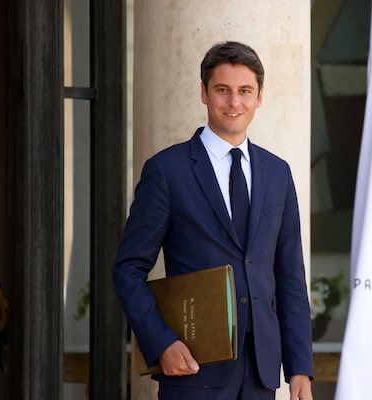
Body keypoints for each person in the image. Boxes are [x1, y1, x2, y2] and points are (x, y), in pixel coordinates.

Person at [113, 41, 314, 400]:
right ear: (204, 93)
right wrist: (161, 343)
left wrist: (299, 368)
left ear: (259, 97)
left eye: (245, 91)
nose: (234, 102)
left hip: (260, 375)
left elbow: (290, 277)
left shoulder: (277, 173)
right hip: (193, 370)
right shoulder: (167, 171)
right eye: (222, 90)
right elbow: (128, 268)